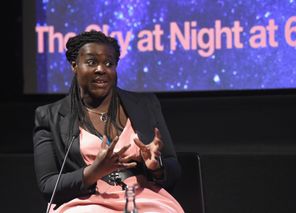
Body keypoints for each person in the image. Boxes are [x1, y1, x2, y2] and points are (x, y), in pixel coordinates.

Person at [33, 30, 184, 212]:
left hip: (142, 195)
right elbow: (48, 185)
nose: (101, 69)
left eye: (108, 63)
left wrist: (156, 166)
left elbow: (174, 169)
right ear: (75, 65)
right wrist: (93, 172)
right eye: (91, 62)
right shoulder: (50, 116)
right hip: (85, 201)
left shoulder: (145, 105)